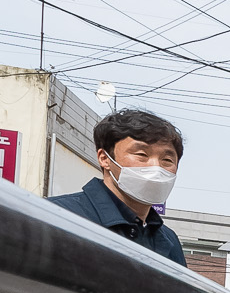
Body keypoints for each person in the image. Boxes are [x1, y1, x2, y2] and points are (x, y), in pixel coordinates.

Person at [50, 108, 188, 266]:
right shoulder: (57, 216)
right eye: (142, 155)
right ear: (104, 159)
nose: (156, 167)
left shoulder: (169, 241)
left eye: (167, 160)